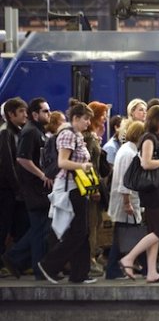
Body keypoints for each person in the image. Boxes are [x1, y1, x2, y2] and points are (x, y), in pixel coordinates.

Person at [37, 101, 96, 284]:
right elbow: (63, 162)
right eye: (85, 119)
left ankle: (79, 274)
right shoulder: (67, 135)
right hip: (71, 187)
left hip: (77, 187)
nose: (88, 123)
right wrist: (83, 166)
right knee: (78, 232)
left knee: (82, 231)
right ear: (76, 118)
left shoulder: (75, 134)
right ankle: (49, 265)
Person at [119, 106, 159, 283]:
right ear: (155, 121)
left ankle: (152, 272)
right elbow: (146, 163)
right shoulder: (148, 138)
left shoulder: (151, 138)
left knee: (154, 230)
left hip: (153, 190)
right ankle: (129, 258)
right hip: (151, 191)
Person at [3, 98, 51, 280]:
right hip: (34, 189)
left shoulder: (37, 131)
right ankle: (30, 265)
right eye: (45, 111)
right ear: (35, 114)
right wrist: (42, 175)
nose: (49, 114)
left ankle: (16, 258)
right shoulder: (30, 132)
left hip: (38, 189)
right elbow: (22, 158)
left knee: (41, 228)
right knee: (40, 229)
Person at [105, 121, 145, 280]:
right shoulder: (129, 154)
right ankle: (114, 269)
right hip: (126, 202)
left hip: (125, 200)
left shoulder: (127, 150)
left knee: (127, 235)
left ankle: (139, 266)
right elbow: (125, 180)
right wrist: (127, 202)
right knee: (125, 235)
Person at [0, 97, 29, 272]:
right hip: (6, 189)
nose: (25, 115)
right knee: (3, 226)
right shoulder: (6, 133)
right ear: (11, 114)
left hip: (13, 189)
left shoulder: (17, 131)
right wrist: (17, 187)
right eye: (21, 112)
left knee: (18, 225)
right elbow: (7, 163)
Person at [83, 101, 109, 277]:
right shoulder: (89, 138)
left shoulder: (92, 136)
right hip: (92, 185)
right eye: (104, 114)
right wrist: (93, 189)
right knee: (92, 223)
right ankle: (90, 259)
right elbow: (90, 165)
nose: (106, 117)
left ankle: (93, 256)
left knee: (96, 222)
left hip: (94, 183)